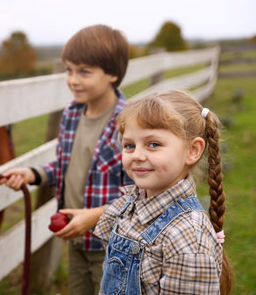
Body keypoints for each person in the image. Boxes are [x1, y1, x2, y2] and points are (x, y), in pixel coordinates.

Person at [0, 24, 133, 295]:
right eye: (69, 70)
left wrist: (95, 217)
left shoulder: (128, 124)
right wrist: (33, 174)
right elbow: (66, 166)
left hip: (112, 245)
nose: (73, 79)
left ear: (113, 74)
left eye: (84, 72)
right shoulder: (72, 113)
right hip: (76, 239)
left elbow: (140, 194)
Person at [94, 90, 233, 294]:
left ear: (192, 150)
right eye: (129, 145)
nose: (138, 155)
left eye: (154, 144)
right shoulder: (130, 203)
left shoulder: (187, 238)